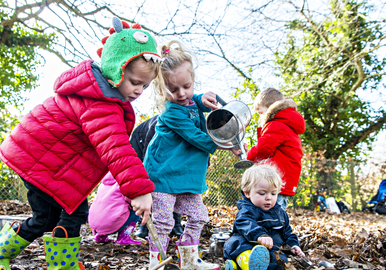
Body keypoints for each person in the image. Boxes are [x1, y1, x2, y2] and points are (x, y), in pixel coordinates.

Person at [0, 17, 161, 270]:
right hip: (39, 162)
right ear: (115, 68)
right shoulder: (101, 102)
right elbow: (115, 148)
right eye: (134, 82)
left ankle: (18, 260)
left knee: (49, 217)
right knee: (65, 215)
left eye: (145, 85)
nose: (139, 90)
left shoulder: (99, 94)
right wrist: (139, 190)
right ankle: (23, 263)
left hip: (45, 162)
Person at [143, 40, 236, 270]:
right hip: (163, 177)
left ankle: (189, 260)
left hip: (184, 179)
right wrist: (224, 142)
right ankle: (157, 263)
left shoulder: (188, 99)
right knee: (163, 223)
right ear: (161, 89)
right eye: (173, 90)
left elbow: (193, 101)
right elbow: (197, 137)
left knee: (200, 216)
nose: (182, 93)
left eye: (187, 86)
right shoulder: (171, 111)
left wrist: (202, 97)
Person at [223, 164, 305, 270]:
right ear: (247, 193)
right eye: (262, 193)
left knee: (279, 262)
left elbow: (287, 233)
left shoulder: (280, 213)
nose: (268, 198)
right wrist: (260, 235)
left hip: (270, 250)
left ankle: (237, 266)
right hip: (248, 243)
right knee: (235, 244)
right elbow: (245, 222)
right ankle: (247, 264)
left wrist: (293, 245)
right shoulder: (247, 210)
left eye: (273, 194)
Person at [246, 88, 305, 210]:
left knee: (271, 213)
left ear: (270, 110)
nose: (259, 118)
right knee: (278, 212)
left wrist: (249, 155)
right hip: (284, 179)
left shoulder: (276, 125)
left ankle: (271, 229)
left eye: (261, 113)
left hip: (275, 179)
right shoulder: (287, 125)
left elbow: (263, 150)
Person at [129, 115, 184, 239]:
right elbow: (148, 161)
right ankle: (144, 225)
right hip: (142, 148)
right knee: (149, 185)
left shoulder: (191, 127)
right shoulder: (159, 126)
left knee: (175, 186)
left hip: (173, 160)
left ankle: (176, 225)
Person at [88, 172, 143, 246]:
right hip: (111, 225)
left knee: (109, 208)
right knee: (136, 209)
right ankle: (123, 237)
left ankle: (101, 236)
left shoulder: (104, 183)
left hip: (95, 225)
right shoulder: (125, 182)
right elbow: (132, 200)